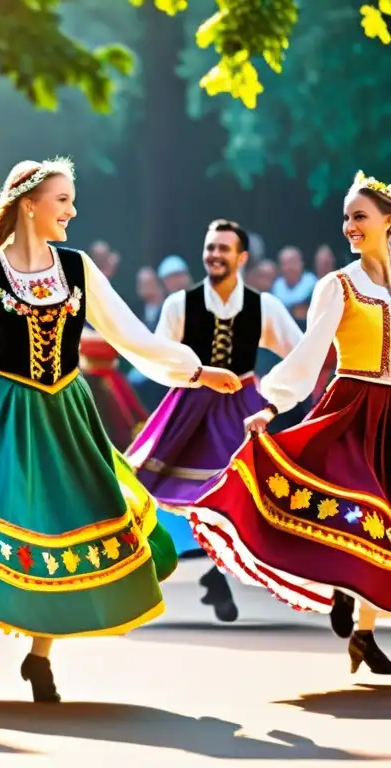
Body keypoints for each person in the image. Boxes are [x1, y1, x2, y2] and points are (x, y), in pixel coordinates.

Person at [0, 159, 241, 702]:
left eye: (71, 200)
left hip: (66, 412)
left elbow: (129, 335)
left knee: (63, 525)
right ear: (30, 205)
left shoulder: (79, 268)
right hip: (5, 412)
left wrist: (194, 370)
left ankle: (39, 657)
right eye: (63, 200)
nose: (72, 210)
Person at [189, 171, 391, 674]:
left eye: (360, 216)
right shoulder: (339, 285)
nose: (349, 225)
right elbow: (308, 353)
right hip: (352, 409)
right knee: (371, 509)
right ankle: (344, 588)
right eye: (346, 217)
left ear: (389, 222)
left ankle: (364, 634)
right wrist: (273, 405)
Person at [126, 219, 303, 622]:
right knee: (153, 485)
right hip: (188, 405)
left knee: (237, 490)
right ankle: (151, 570)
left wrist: (272, 392)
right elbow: (161, 359)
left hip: (241, 408)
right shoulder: (179, 304)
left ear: (241, 257)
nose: (215, 255)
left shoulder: (264, 306)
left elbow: (300, 352)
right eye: (210, 248)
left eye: (223, 249)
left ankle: (217, 573)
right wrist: (186, 380)